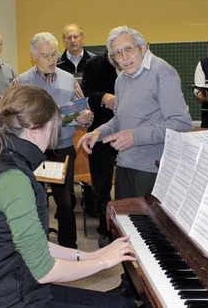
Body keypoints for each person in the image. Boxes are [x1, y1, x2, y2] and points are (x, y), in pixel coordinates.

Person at [0, 84, 137, 308]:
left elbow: (35, 245)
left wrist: (91, 255)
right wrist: (104, 262)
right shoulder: (13, 177)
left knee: (120, 305)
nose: (54, 135)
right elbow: (44, 271)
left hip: (15, 284)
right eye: (53, 127)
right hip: (10, 298)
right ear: (35, 129)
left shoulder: (1, 157)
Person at [77, 25, 192, 298]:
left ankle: (152, 293)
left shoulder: (162, 72)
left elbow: (181, 123)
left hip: (151, 170)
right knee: (127, 232)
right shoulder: (122, 79)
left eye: (129, 49)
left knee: (152, 237)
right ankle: (130, 284)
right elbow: (120, 120)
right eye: (117, 53)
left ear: (143, 47)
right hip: (126, 164)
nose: (124, 57)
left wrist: (136, 137)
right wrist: (98, 131)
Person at [13, 32, 94, 249]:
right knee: (33, 199)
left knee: (65, 202)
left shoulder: (69, 79)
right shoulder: (21, 82)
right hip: (32, 151)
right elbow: (9, 117)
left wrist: (86, 117)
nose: (51, 60)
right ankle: (36, 246)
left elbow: (85, 112)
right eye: (45, 56)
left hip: (61, 149)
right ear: (33, 56)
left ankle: (68, 246)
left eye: (53, 54)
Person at [80, 50, 119, 248]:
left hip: (131, 133)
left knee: (128, 185)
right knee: (101, 186)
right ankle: (106, 230)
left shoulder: (138, 65)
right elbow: (85, 91)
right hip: (101, 133)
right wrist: (104, 97)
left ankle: (127, 229)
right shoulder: (94, 64)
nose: (122, 55)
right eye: (116, 51)